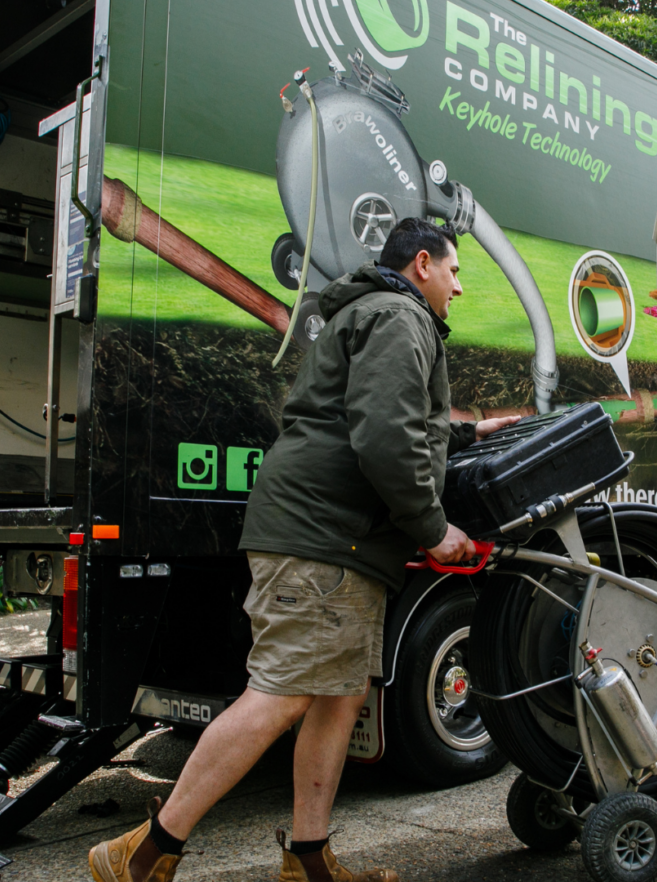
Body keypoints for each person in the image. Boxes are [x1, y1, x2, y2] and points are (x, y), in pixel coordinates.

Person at [88, 217, 521, 882]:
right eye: (456, 272)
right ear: (424, 263)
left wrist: (466, 435)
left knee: (337, 698)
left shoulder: (378, 315)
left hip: (338, 540)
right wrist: (434, 529)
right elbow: (382, 436)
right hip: (325, 538)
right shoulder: (399, 315)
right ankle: (144, 854)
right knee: (283, 692)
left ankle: (310, 862)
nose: (458, 290)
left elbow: (388, 421)